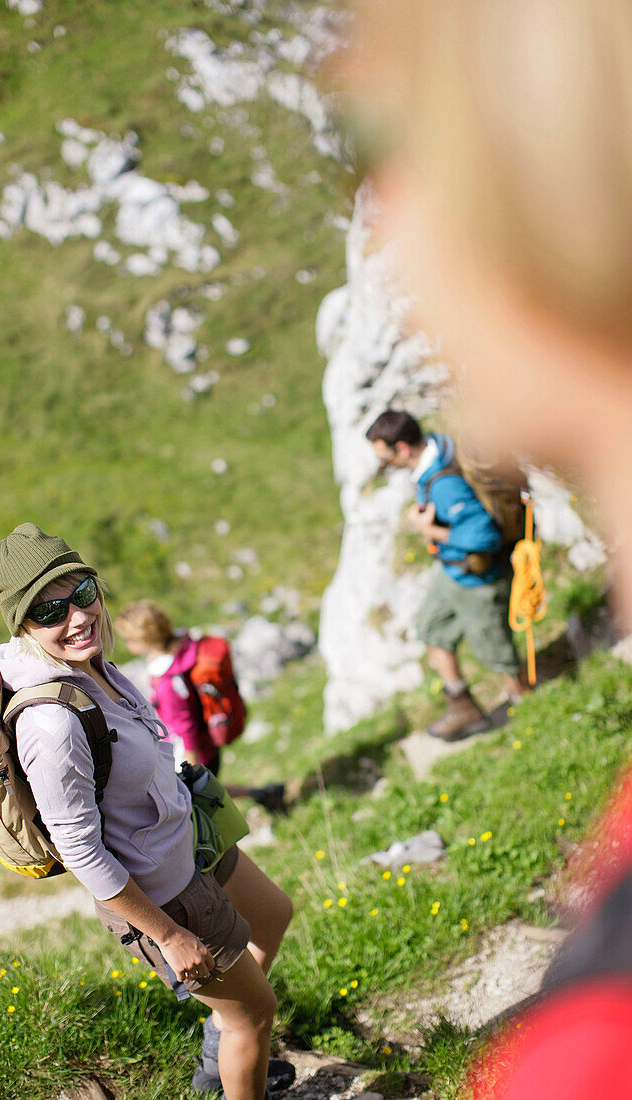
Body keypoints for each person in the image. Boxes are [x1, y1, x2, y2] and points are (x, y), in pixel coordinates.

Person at [342, 1, 632, 1095]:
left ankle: (495, 699)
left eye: (377, 145)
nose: (384, 219)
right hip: (461, 573)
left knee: (476, 641)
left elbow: (475, 519)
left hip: (469, 569)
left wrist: (442, 533)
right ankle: (482, 699)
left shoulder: (594, 1051)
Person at [0, 523, 294, 1100]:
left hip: (189, 839)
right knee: (255, 1014)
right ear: (23, 625)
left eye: (82, 595)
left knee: (274, 915)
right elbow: (80, 850)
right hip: (163, 890)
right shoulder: (50, 724)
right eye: (49, 611)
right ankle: (231, 1050)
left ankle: (221, 1045)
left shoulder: (88, 663)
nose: (77, 617)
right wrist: (169, 934)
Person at [366, 408, 525, 740]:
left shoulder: (445, 483)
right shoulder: (435, 454)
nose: (384, 465)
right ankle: (463, 705)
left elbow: (485, 536)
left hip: (478, 580)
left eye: (385, 458)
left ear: (403, 449)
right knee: (431, 626)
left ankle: (528, 703)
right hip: (451, 572)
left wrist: (429, 530)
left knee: (495, 651)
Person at [115, 600, 286, 813]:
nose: (127, 643)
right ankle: (264, 794)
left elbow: (185, 727)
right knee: (212, 791)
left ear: (144, 639)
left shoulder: (167, 682)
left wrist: (192, 770)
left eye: (128, 639)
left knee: (200, 807)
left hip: (191, 755)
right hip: (208, 745)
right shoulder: (184, 649)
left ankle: (253, 809)